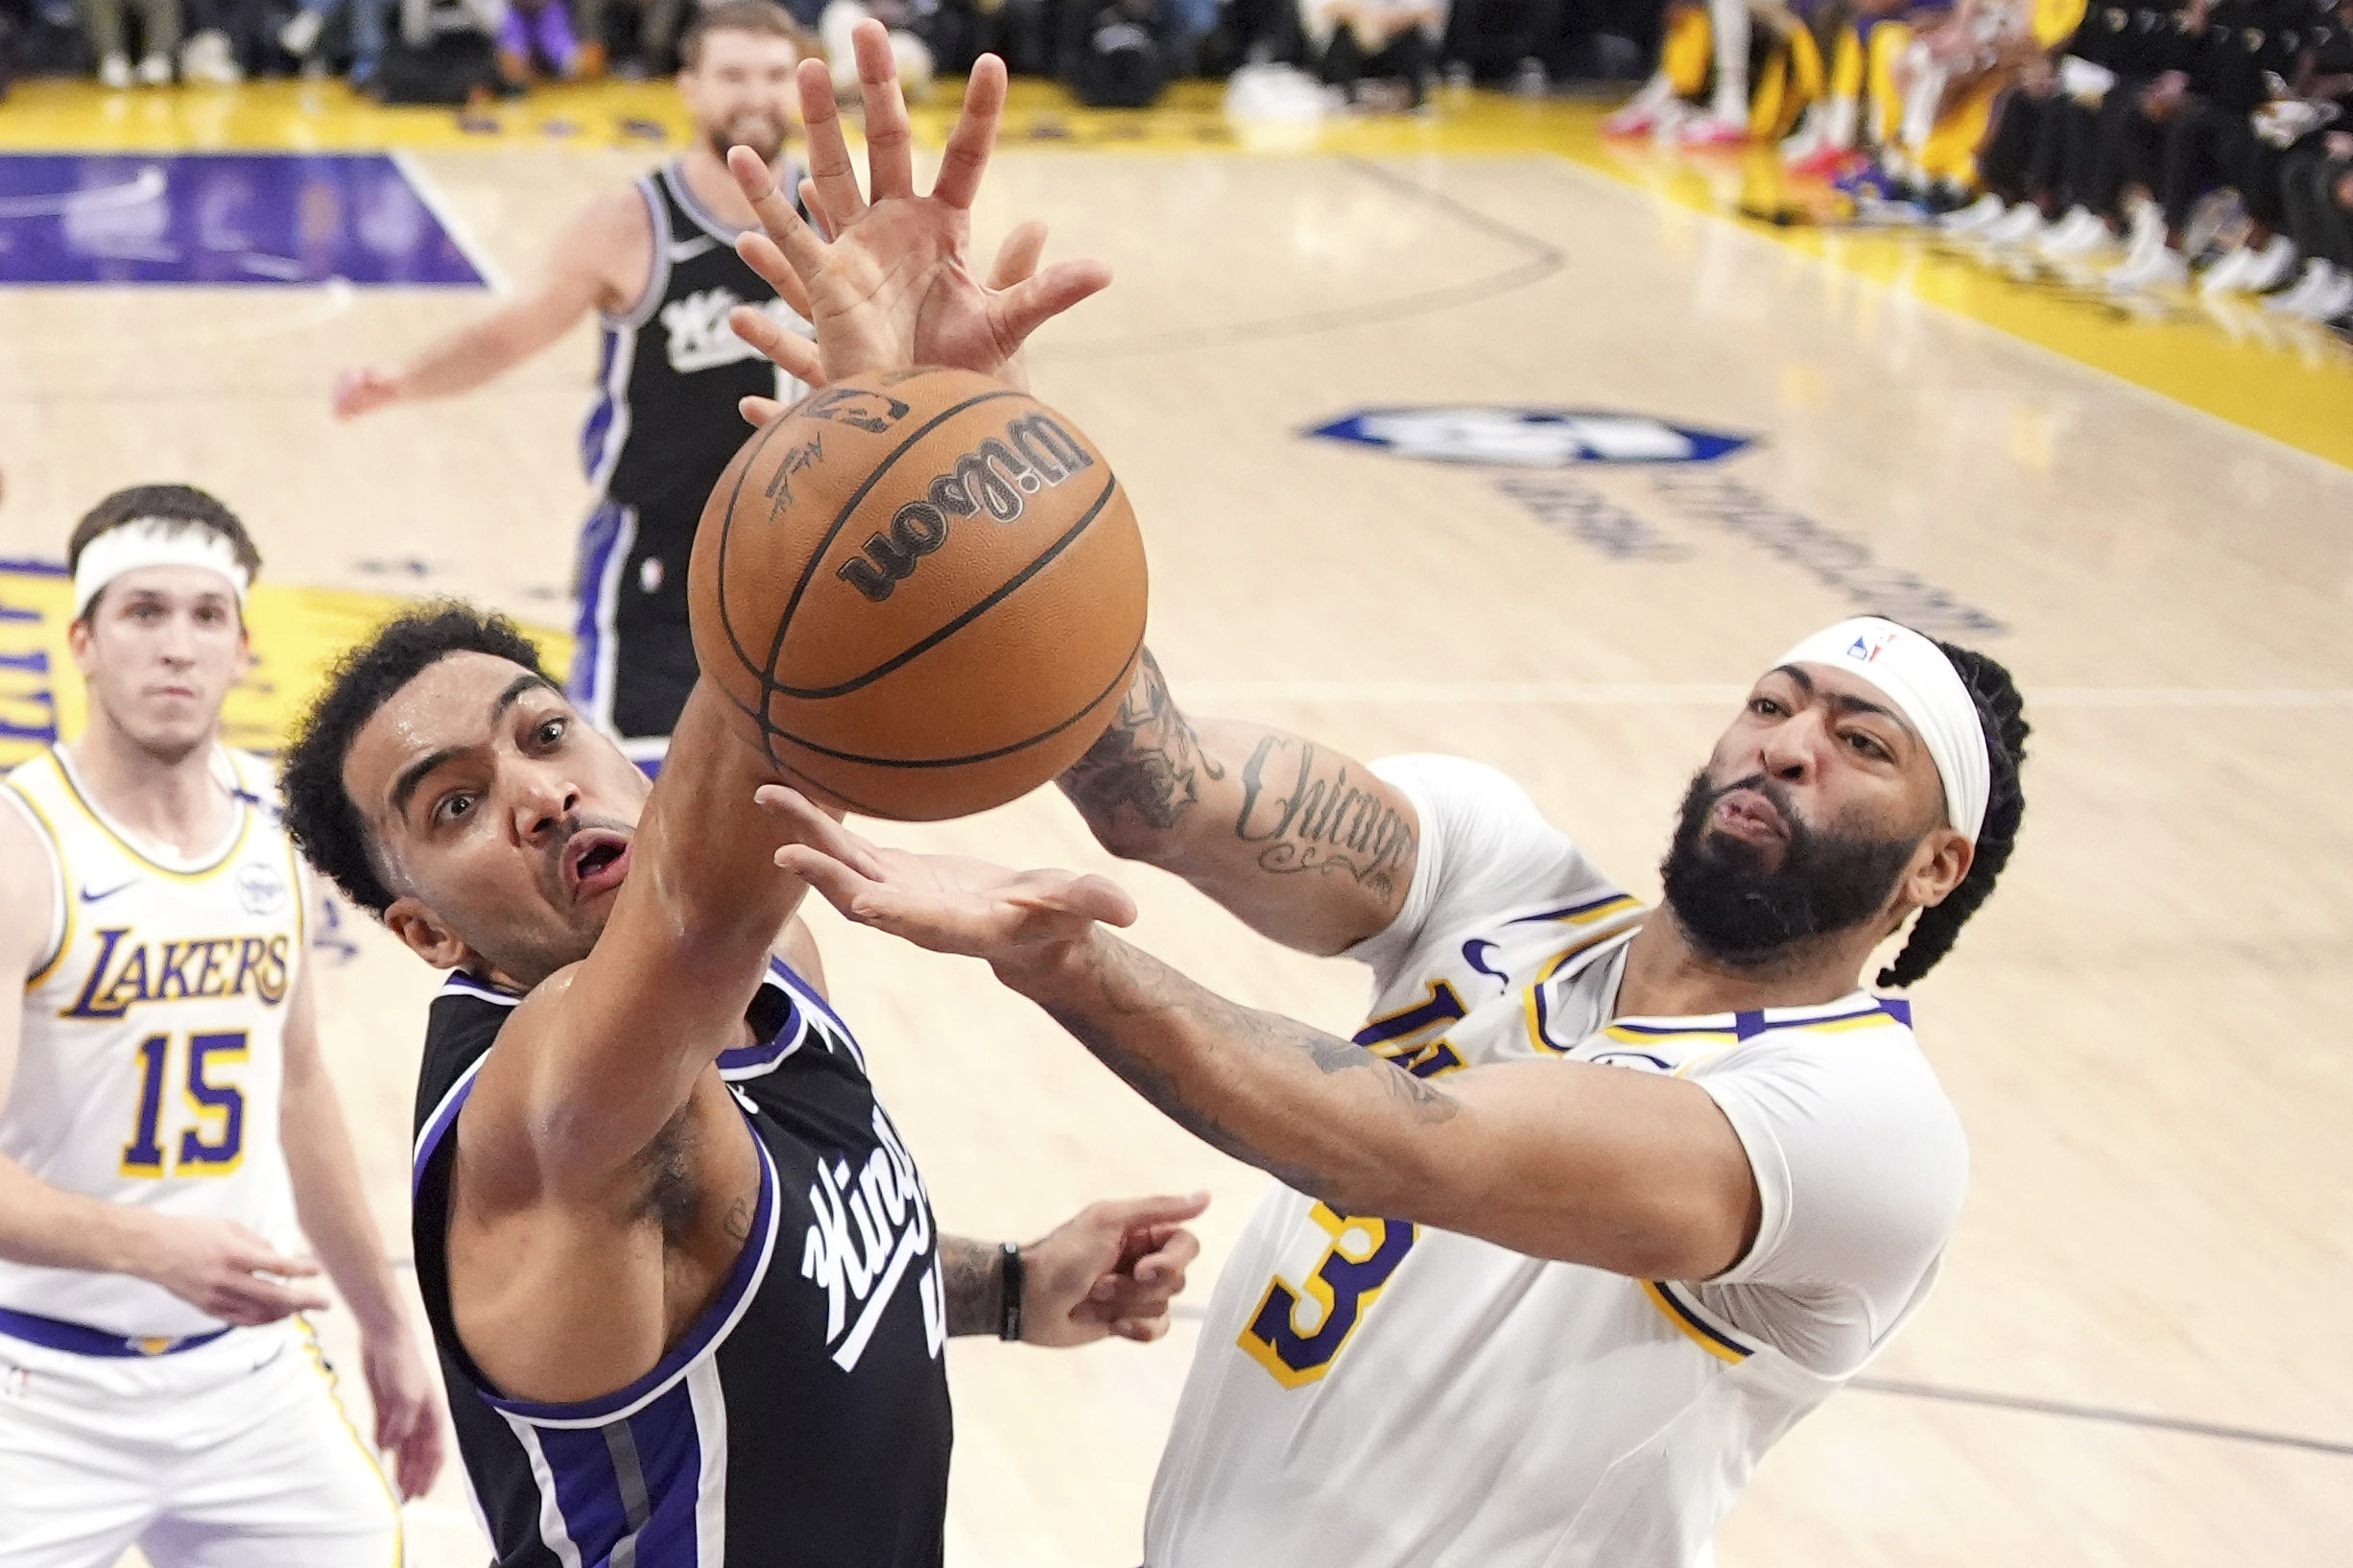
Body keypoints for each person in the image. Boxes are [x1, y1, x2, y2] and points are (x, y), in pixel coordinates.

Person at [276, 32, 1182, 1567]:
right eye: (451, 806)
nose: (541, 795)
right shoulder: (541, 1115)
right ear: (429, 934)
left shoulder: (776, 976)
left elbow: (757, 1267)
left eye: (547, 732)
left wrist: (1013, 1286)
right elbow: (700, 898)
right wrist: (885, 430)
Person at [754, 618, 2029, 1567]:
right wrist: (979, 446)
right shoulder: (1504, 879)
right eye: (1773, 702)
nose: (1788, 747)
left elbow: (1419, 1149)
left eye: (1860, 742)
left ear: (1935, 864)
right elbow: (1167, 790)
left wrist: (1067, 960)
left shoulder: (1866, 1124)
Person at [0, 486, 444, 1568]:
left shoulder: (274, 829)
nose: (176, 646)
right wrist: (154, 1248)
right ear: (82, 639)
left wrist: (382, 1320)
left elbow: (297, 1092)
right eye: (143, 612)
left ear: (245, 644)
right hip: (38, 1391)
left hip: (248, 1376)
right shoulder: (25, 848)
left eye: (206, 616)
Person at [331, 0, 820, 773]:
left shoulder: (834, 217)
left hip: (797, 561)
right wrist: (402, 381)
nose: (755, 96)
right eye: (732, 75)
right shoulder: (636, 220)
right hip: (659, 562)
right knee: (626, 799)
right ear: (689, 88)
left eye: (772, 75)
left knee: (783, 809)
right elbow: (512, 331)